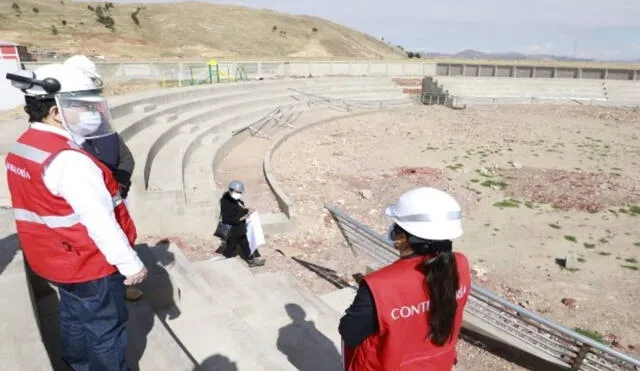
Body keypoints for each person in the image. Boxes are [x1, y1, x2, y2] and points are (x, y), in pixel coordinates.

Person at [4, 63, 148, 370]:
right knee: (106, 329)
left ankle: (77, 363)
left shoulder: (25, 146)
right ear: (57, 112)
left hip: (53, 257)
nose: (93, 114)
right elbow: (98, 219)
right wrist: (129, 263)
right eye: (84, 107)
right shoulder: (69, 161)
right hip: (88, 263)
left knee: (72, 313)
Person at [339, 187, 472, 371]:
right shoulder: (461, 265)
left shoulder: (379, 286)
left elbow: (350, 333)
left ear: (403, 237)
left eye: (395, 229)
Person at [64, 55, 141, 301]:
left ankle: (121, 283)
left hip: (113, 196)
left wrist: (119, 188)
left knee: (118, 239)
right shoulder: (63, 141)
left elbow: (125, 157)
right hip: (88, 208)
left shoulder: (98, 121)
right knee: (101, 244)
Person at [219, 180, 265, 267]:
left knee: (242, 242)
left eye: (240, 192)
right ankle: (249, 260)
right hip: (233, 229)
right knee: (234, 245)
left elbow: (238, 209)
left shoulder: (233, 199)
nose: (239, 194)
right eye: (238, 192)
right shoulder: (226, 203)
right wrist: (241, 218)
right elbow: (227, 219)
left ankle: (251, 259)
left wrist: (247, 210)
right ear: (231, 190)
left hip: (238, 228)